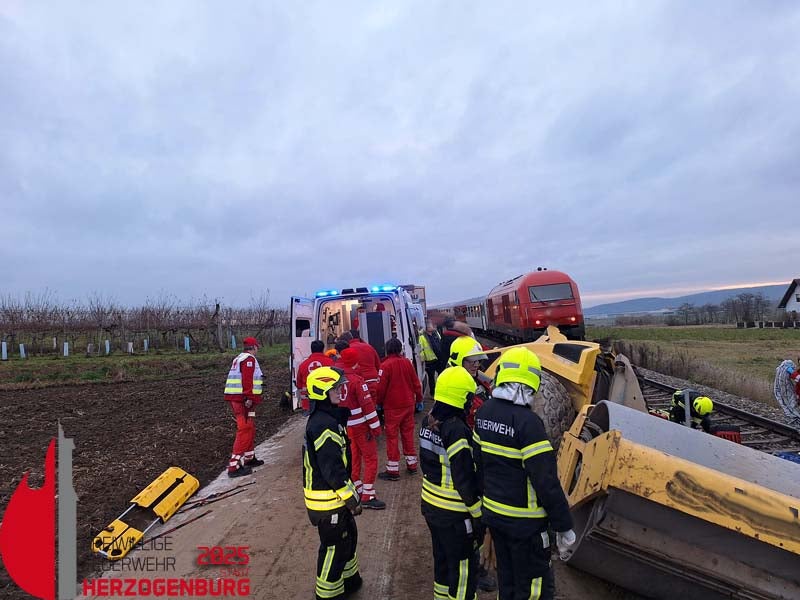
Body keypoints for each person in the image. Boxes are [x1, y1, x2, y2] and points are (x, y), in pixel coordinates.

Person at [474, 347, 575, 600]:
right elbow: (546, 481)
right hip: (526, 525)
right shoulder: (528, 423)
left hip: (495, 516)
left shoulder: (483, 413)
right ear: (532, 382)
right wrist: (564, 527)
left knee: (507, 582)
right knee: (534, 589)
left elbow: (478, 465)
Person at [419, 366, 483, 600]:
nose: (470, 402)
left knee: (443, 562)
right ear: (460, 396)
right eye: (468, 397)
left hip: (431, 506)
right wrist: (477, 513)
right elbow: (463, 477)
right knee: (464, 569)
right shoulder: (456, 429)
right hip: (455, 512)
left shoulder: (428, 421)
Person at [303, 366, 363, 600]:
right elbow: (333, 471)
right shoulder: (323, 425)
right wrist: (352, 499)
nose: (341, 390)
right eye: (336, 388)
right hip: (327, 501)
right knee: (333, 548)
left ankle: (350, 581)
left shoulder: (327, 419)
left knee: (348, 538)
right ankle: (327, 595)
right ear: (322, 391)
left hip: (333, 499)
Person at [339, 348, 386, 509]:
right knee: (371, 459)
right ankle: (368, 494)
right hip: (361, 426)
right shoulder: (358, 381)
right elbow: (368, 407)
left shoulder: (337, 379)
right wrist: (376, 428)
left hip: (346, 427)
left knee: (353, 458)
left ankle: (357, 488)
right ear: (354, 362)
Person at [376, 337, 423, 480]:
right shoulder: (407, 363)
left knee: (392, 437)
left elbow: (380, 389)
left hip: (392, 407)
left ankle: (393, 470)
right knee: (408, 434)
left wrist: (378, 403)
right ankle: (412, 465)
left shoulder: (385, 366)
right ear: (400, 349)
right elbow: (416, 383)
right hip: (408, 405)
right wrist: (419, 399)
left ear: (387, 349)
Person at [223, 336, 265, 478]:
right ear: (254, 347)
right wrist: (248, 397)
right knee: (245, 428)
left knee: (250, 426)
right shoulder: (248, 360)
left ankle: (249, 457)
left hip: (242, 400)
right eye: (257, 347)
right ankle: (234, 466)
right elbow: (247, 379)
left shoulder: (239, 358)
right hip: (243, 401)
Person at [447, 336, 492, 430]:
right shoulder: (452, 386)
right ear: (459, 360)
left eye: (479, 360)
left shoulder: (480, 378)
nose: (476, 365)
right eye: (472, 360)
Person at [296, 340, 335, 414]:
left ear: (311, 350)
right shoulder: (330, 363)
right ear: (323, 349)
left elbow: (299, 385)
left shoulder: (303, 365)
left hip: (308, 403)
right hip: (326, 402)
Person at [419, 321, 442, 398]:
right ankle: (433, 393)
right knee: (431, 378)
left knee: (441, 375)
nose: (433, 327)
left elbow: (440, 342)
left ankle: (440, 390)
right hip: (429, 361)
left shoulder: (436, 333)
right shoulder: (422, 337)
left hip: (438, 358)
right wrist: (422, 359)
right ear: (427, 328)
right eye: (430, 326)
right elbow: (421, 349)